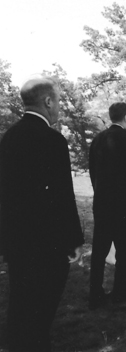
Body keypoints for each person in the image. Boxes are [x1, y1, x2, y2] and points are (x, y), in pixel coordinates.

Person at [0, 76, 84, 352]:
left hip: (16, 240)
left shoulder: (8, 138)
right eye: (58, 100)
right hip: (47, 244)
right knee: (42, 308)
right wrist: (73, 240)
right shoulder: (52, 140)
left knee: (21, 302)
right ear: (48, 102)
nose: (58, 106)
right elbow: (62, 196)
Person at [88, 102, 126, 310]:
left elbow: (93, 171)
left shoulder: (97, 139)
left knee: (99, 249)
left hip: (101, 203)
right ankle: (120, 290)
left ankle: (95, 294)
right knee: (125, 247)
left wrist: (99, 192)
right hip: (121, 205)